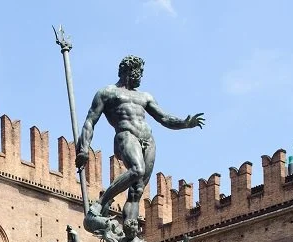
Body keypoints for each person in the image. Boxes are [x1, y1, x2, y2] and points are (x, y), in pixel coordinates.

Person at [76, 55, 204, 232]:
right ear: (130, 71)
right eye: (140, 73)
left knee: (137, 190)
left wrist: (184, 123)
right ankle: (99, 205)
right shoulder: (107, 92)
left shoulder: (145, 96)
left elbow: (164, 117)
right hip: (126, 136)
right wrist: (83, 149)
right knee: (137, 170)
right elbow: (90, 121)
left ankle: (131, 234)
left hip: (148, 141)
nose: (141, 77)